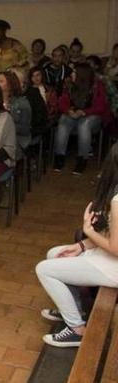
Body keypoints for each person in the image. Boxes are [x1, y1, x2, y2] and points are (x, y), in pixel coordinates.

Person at [35, 143, 118, 348]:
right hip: (105, 256)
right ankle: (74, 309)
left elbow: (116, 247)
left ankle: (76, 329)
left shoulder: (117, 200)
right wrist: (81, 245)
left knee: (44, 269)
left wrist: (88, 231)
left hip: (113, 266)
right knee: (55, 254)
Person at [53, 63, 110, 174]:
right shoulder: (69, 85)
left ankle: (82, 158)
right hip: (74, 113)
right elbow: (62, 102)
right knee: (63, 120)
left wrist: (84, 112)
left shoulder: (96, 86)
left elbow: (101, 106)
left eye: (74, 73)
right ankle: (59, 156)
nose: (72, 74)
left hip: (92, 116)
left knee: (84, 124)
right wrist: (68, 111)